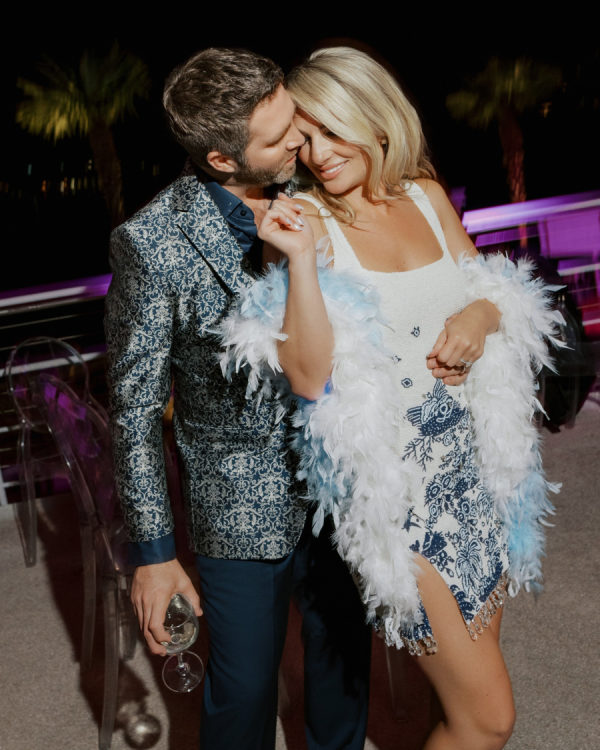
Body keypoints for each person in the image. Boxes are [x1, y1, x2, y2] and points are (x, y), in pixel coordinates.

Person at [222, 46, 561, 750]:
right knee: (488, 719)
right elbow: (308, 378)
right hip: (400, 502)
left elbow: (490, 292)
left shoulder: (427, 198)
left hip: (481, 474)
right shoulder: (303, 224)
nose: (319, 154)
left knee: (464, 694)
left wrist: (481, 317)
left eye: (333, 130)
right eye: (304, 138)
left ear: (375, 118)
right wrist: (301, 264)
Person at [104, 47, 371, 750]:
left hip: (342, 469)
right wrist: (155, 555)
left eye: (295, 119)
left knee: (343, 660)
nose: (303, 140)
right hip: (236, 499)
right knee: (245, 691)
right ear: (222, 159)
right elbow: (134, 412)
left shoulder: (321, 185)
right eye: (280, 137)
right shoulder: (151, 242)